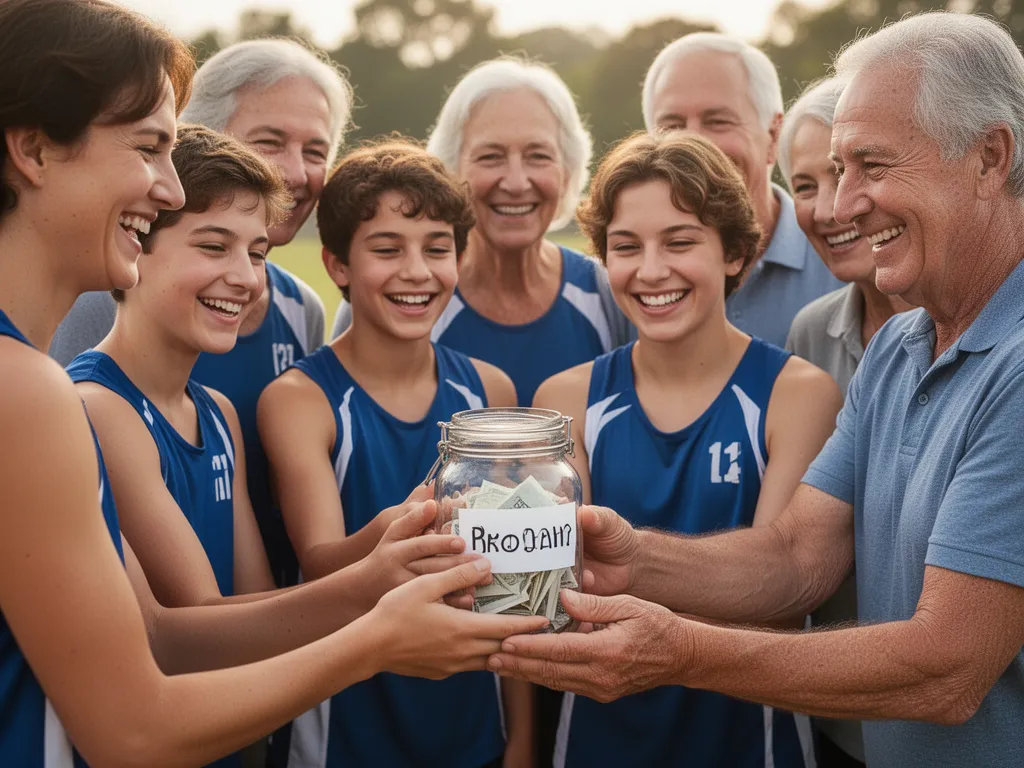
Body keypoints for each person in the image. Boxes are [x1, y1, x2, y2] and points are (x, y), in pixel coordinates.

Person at [0, 2, 545, 766]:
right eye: (151, 148)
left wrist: (374, 582)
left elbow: (155, 631)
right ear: (33, 149)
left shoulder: (51, 382)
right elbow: (131, 728)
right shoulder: (34, 391)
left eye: (255, 250)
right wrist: (376, 637)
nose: (167, 187)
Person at [487, 12, 1024, 768]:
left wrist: (679, 651)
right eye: (837, 173)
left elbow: (947, 668)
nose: (839, 208)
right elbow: (798, 555)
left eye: (872, 165)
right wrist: (631, 558)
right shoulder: (901, 346)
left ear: (989, 158)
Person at [532, 131, 839, 767]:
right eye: (626, 247)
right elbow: (559, 593)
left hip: (750, 739)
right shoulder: (564, 398)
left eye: (679, 241)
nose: (650, 270)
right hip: (596, 737)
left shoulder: (798, 393)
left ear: (733, 253)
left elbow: (779, 597)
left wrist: (627, 580)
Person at [259, 138, 532, 768]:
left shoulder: (488, 390)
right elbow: (322, 567)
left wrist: (519, 740)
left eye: (438, 248)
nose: (417, 271)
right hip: (344, 730)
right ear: (338, 265)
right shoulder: (301, 399)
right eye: (387, 250)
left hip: (472, 728)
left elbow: (512, 589)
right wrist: (397, 534)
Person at [51, 38, 351, 587]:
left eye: (315, 149)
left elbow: (247, 596)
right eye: (269, 142)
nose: (293, 170)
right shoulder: (94, 370)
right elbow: (182, 628)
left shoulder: (223, 404)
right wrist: (375, 601)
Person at [332, 58, 634, 406]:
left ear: (567, 172)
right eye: (490, 157)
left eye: (538, 156)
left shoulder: (610, 292)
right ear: (450, 171)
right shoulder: (394, 293)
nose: (517, 183)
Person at [778, 77, 913, 768]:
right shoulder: (810, 333)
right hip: (843, 724)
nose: (830, 208)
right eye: (804, 186)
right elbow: (803, 545)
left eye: (844, 172)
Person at [642, 32, 842, 347]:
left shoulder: (845, 259)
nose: (694, 145)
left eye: (718, 121)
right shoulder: (628, 283)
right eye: (672, 126)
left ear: (773, 135)